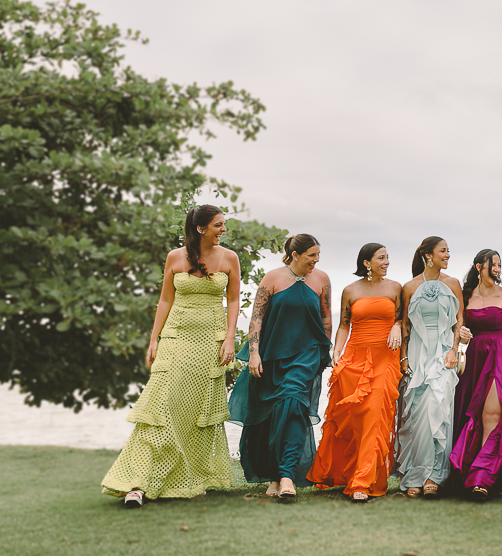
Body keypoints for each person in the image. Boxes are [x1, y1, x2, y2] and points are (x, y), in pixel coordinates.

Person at [102, 205, 240, 507]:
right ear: (201, 228)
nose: (223, 230)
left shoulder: (230, 258)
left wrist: (230, 338)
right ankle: (136, 483)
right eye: (218, 225)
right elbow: (165, 299)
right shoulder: (175, 257)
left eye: (223, 225)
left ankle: (190, 476)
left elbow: (232, 300)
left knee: (196, 411)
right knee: (161, 406)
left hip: (211, 342)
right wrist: (154, 338)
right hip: (176, 338)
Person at [228, 233, 332, 501]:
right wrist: (254, 354)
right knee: (273, 414)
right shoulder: (272, 278)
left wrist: (325, 351)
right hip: (273, 355)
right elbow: (257, 320)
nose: (316, 260)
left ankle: (287, 475)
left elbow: (326, 318)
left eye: (318, 255)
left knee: (294, 404)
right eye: (311, 255)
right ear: (295, 255)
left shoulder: (322, 280)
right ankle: (274, 475)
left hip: (307, 354)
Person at [308, 243, 402, 502]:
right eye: (381, 258)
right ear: (366, 262)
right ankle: (347, 473)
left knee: (374, 416)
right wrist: (336, 352)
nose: (387, 262)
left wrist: (396, 325)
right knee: (353, 419)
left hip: (384, 358)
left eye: (387, 258)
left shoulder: (396, 288)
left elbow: (404, 318)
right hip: (354, 357)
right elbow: (343, 325)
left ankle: (362, 482)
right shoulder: (350, 290)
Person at [450, 249, 502, 500]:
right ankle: (470, 470)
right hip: (475, 358)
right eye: (492, 264)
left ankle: (482, 477)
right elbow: (457, 327)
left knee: (492, 413)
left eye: (499, 265)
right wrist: (461, 335)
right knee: (471, 413)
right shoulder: (464, 296)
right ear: (478, 267)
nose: (496, 269)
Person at [395, 236, 466, 498]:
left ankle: (434, 475)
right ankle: (415, 474)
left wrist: (454, 350)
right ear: (428, 255)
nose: (448, 255)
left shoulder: (454, 284)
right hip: (417, 352)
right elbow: (405, 325)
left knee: (440, 410)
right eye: (443, 251)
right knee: (416, 413)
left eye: (448, 251)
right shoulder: (410, 286)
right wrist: (404, 358)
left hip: (444, 353)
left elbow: (460, 320)